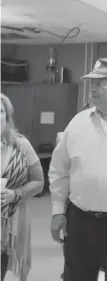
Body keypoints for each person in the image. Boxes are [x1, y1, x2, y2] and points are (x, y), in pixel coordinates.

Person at [49, 58, 107, 281]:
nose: (93, 89)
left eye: (101, 84)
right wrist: (57, 212)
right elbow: (59, 170)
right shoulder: (77, 124)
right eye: (92, 83)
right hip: (80, 222)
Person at [1, 93, 44, 281]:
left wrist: (16, 194)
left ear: (7, 116)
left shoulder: (21, 145)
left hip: (6, 226)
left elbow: (39, 182)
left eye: (1, 111)